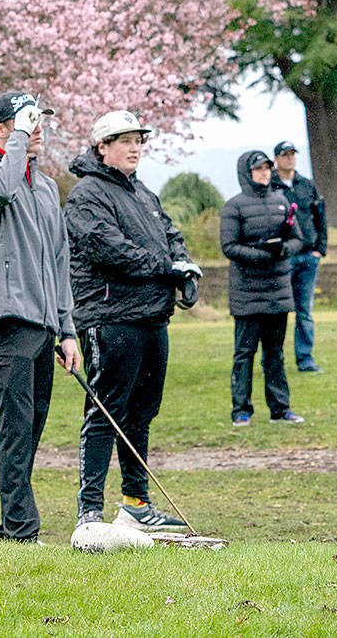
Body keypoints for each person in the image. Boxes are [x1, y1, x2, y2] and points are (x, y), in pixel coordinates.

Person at [63, 110, 202, 533]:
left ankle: (135, 503)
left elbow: (169, 232)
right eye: (125, 140)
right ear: (102, 147)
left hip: (150, 316)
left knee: (142, 412)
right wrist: (168, 268)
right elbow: (110, 249)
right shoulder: (87, 194)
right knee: (105, 411)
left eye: (139, 140)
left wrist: (185, 267)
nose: (135, 148)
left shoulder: (141, 192)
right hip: (109, 317)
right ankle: (90, 510)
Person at [0, 91, 81, 543]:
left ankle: (13, 519)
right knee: (14, 427)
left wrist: (67, 329)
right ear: (1, 130)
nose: (38, 131)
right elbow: (2, 188)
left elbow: (58, 260)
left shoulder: (48, 187)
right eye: (28, 122)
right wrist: (19, 140)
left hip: (44, 324)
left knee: (31, 427)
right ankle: (20, 529)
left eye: (40, 122)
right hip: (5, 322)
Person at [220, 150, 304, 427]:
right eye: (258, 169)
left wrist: (282, 249)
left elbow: (297, 239)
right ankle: (241, 410)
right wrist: (260, 254)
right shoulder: (234, 206)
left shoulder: (282, 201)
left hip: (277, 291)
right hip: (247, 293)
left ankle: (280, 409)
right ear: (247, 172)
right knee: (244, 353)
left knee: (275, 353)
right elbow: (229, 247)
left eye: (267, 168)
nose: (264, 173)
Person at [270, 141, 328, 373]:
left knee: (304, 310)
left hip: (307, 256)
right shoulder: (271, 186)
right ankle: (274, 359)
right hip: (283, 257)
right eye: (285, 155)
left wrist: (319, 250)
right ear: (276, 159)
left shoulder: (307, 185)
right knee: (278, 310)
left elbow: (320, 217)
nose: (290, 158)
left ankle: (305, 359)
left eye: (293, 154)